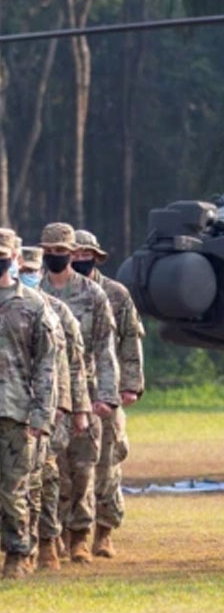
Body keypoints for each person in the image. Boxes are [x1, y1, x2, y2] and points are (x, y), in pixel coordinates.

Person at [39, 223, 119, 564]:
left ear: (73, 254)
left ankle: (80, 537)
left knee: (85, 467)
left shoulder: (93, 294)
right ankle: (50, 534)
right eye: (50, 251)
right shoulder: (34, 290)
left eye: (62, 251)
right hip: (47, 394)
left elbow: (105, 349)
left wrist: (107, 396)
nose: (56, 257)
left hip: (85, 392)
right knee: (50, 469)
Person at [72, 229, 145, 559]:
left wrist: (130, 384)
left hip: (107, 389)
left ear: (96, 257)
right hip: (69, 391)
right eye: (74, 254)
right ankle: (71, 532)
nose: (78, 260)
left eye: (85, 255)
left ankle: (105, 530)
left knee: (108, 462)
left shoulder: (115, 294)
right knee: (69, 466)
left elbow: (130, 340)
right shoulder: (48, 289)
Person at [18, 243, 90, 572]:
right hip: (11, 404)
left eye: (34, 272)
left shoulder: (57, 312)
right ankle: (21, 541)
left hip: (48, 407)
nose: (29, 276)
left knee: (46, 475)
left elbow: (72, 366)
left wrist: (75, 408)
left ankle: (47, 541)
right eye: (25, 271)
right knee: (16, 480)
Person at [0, 231, 59, 579]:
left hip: (17, 412)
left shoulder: (34, 305)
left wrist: (41, 414)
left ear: (16, 259)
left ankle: (19, 555)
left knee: (14, 489)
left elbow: (47, 364)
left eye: (3, 254)